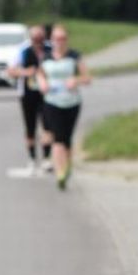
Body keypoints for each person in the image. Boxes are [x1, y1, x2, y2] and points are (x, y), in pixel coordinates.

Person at [34, 24, 91, 190]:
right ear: (51, 40)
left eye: (63, 38)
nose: (60, 42)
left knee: (67, 139)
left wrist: (76, 80)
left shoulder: (74, 56)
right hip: (52, 102)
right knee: (57, 139)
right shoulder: (46, 58)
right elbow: (39, 74)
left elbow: (87, 77)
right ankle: (60, 173)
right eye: (56, 38)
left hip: (72, 102)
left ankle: (67, 165)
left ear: (67, 40)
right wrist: (42, 83)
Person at [5, 24, 52, 173]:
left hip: (47, 93)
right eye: (35, 38)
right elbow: (10, 70)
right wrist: (26, 72)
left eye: (40, 38)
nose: (38, 41)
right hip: (28, 93)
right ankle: (32, 158)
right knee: (30, 127)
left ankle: (46, 158)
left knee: (47, 126)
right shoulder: (23, 50)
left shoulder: (50, 49)